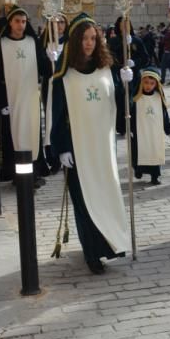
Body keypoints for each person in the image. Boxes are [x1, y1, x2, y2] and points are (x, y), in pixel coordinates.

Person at [50, 15, 132, 275]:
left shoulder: (106, 70)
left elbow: (118, 103)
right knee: (85, 201)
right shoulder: (63, 77)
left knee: (106, 195)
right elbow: (57, 115)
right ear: (75, 41)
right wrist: (61, 147)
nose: (89, 43)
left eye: (93, 38)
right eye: (84, 38)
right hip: (78, 149)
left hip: (103, 148)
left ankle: (112, 244)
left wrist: (130, 81)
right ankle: (92, 253)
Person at [0, 6, 53, 183]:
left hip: (30, 97)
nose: (21, 25)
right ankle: (16, 174)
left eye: (23, 21)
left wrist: (51, 59)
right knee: (12, 136)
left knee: (31, 133)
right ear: (10, 23)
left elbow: (44, 69)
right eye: (17, 21)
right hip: (10, 100)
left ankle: (34, 173)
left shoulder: (32, 41)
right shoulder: (0, 44)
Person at [131, 67, 170, 185]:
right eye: (146, 83)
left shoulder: (158, 97)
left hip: (155, 131)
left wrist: (168, 127)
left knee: (155, 151)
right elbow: (130, 114)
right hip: (140, 131)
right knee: (139, 152)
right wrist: (129, 128)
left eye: (151, 83)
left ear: (156, 84)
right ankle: (138, 170)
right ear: (141, 82)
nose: (148, 86)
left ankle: (155, 175)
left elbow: (164, 114)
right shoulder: (135, 98)